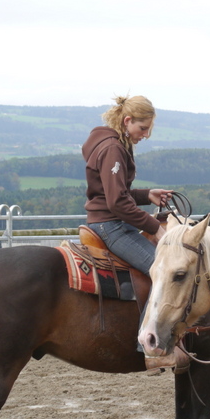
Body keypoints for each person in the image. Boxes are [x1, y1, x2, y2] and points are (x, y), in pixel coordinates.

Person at [83, 94, 186, 369]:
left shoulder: (111, 143)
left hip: (107, 220)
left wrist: (146, 194)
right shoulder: (113, 148)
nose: (146, 135)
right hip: (111, 226)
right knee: (163, 272)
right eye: (142, 128)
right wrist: (154, 228)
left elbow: (114, 192)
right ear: (127, 121)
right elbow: (116, 203)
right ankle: (151, 349)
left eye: (149, 129)